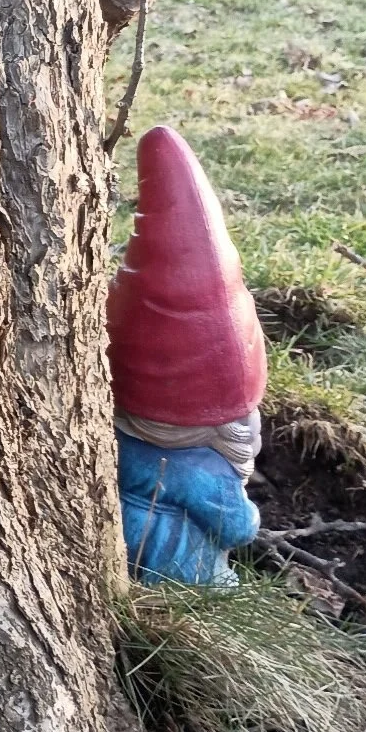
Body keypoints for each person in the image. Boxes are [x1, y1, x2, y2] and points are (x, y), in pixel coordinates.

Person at [109, 127, 267, 585]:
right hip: (177, 562)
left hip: (127, 540)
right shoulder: (203, 471)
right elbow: (237, 528)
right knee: (218, 585)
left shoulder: (122, 441)